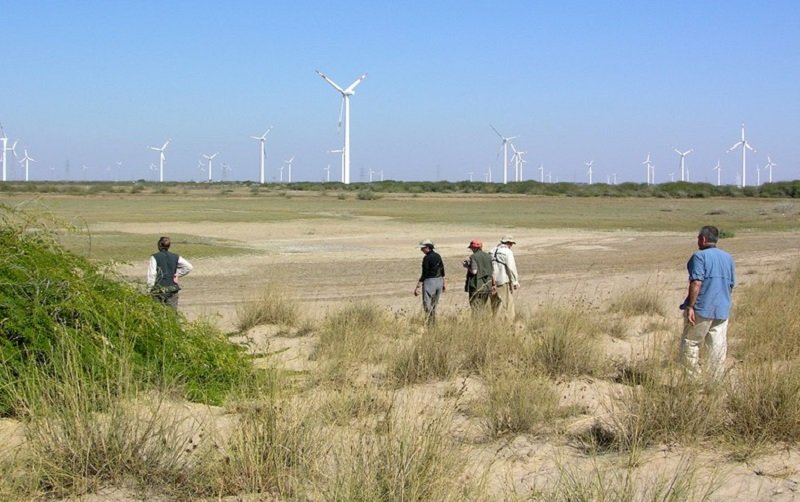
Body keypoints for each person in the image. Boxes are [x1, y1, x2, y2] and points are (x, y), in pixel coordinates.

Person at [679, 225, 736, 381]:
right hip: (722, 308)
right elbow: (731, 284)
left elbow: (696, 282)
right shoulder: (728, 257)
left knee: (690, 343)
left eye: (698, 238)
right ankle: (715, 382)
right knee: (717, 347)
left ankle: (692, 382)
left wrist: (690, 306)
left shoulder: (699, 257)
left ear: (703, 239)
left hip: (702, 308)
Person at [147, 236, 193, 309]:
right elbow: (189, 267)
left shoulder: (154, 257)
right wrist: (177, 275)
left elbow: (152, 274)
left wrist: (149, 290)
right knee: (172, 314)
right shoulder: (175, 256)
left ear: (159, 245)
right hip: (172, 289)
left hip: (158, 290)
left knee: (157, 313)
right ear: (169, 246)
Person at [414, 239, 446, 325]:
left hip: (430, 282)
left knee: (427, 304)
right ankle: (433, 321)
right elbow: (442, 269)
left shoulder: (426, 258)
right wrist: (443, 283)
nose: (421, 250)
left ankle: (429, 322)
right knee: (434, 303)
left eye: (423, 248)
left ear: (428, 248)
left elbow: (425, 273)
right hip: (439, 281)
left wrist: (418, 286)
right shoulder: (438, 256)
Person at [490, 235, 520, 321]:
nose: (511, 246)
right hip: (503, 280)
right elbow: (512, 268)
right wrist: (515, 281)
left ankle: (495, 322)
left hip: (492, 280)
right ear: (508, 243)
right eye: (511, 244)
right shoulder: (507, 252)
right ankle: (510, 323)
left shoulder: (492, 250)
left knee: (495, 304)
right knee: (508, 304)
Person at [463, 239, 495, 312]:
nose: (471, 249)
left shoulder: (473, 257)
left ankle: (476, 322)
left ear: (474, 248)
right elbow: (492, 272)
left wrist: (467, 266)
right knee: (482, 306)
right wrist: (493, 284)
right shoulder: (488, 256)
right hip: (487, 286)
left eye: (471, 248)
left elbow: (474, 271)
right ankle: (483, 321)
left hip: (476, 286)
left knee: (475, 308)